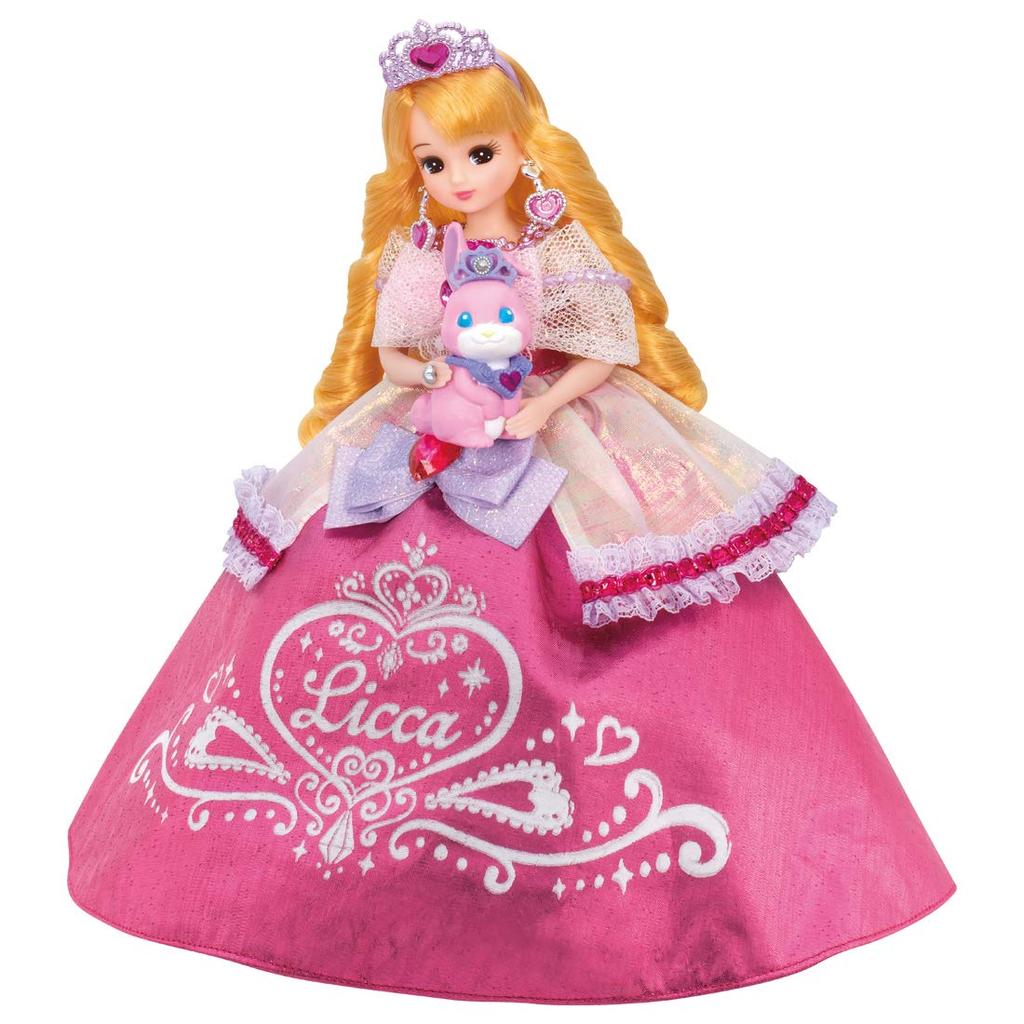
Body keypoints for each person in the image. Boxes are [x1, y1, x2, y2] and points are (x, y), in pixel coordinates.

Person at [66, 19, 955, 1004]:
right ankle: (333, 858)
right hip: (434, 423)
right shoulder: (421, 252)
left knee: (611, 602)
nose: (458, 177)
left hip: (547, 428)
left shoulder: (551, 245)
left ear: (521, 147)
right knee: (336, 566)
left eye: (477, 154)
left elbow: (606, 349)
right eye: (434, 160)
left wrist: (535, 407)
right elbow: (395, 349)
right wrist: (429, 378)